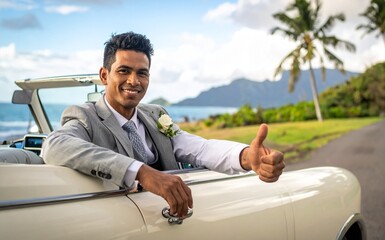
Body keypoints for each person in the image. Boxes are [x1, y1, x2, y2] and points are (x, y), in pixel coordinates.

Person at [42, 32, 285, 219]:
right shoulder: (85, 116)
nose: (134, 81)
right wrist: (141, 172)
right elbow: (55, 145)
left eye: (142, 73)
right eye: (124, 71)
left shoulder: (156, 114)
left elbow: (198, 148)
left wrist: (245, 156)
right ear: (105, 75)